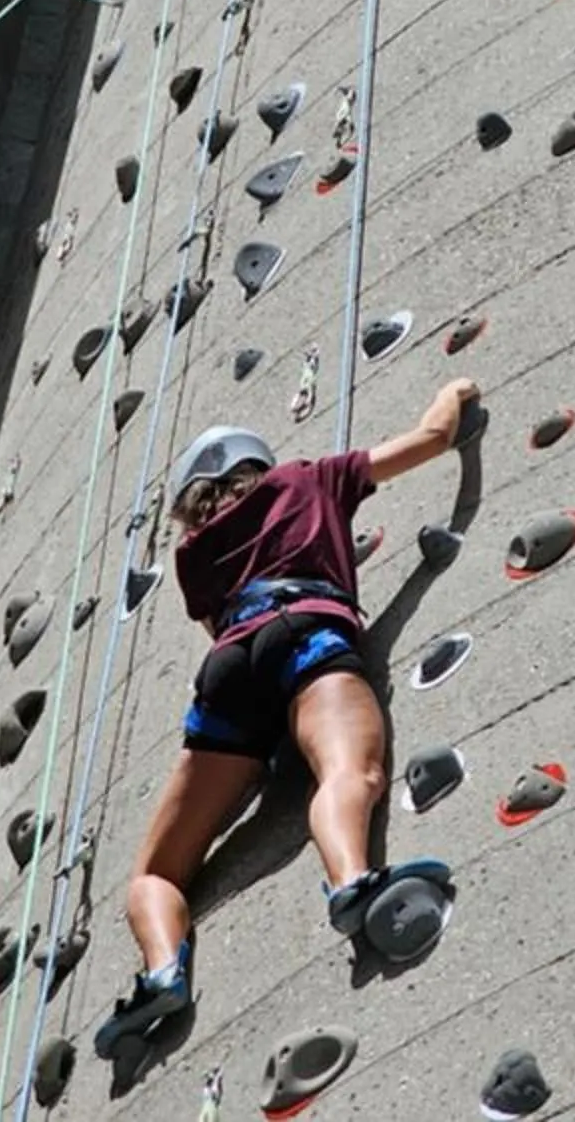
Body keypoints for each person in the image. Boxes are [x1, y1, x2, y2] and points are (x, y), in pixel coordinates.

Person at [93, 377, 480, 1057]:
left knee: (154, 874)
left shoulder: (193, 554)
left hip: (229, 670)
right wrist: (456, 388)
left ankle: (161, 971)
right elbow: (430, 438)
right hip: (305, 629)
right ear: (256, 462)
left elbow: (219, 627)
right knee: (348, 770)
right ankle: (352, 881)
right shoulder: (310, 479)